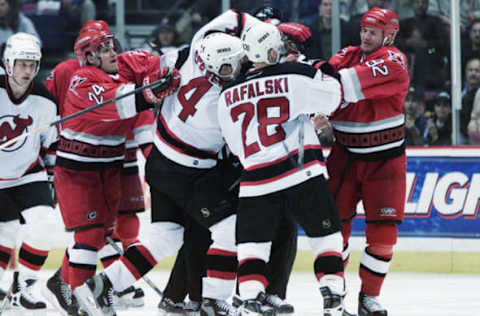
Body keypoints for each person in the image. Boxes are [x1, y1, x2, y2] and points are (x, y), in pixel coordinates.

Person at [71, 9, 259, 316]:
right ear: (221, 65)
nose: (239, 64)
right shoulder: (222, 104)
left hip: (159, 165)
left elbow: (232, 15)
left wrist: (151, 82)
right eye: (235, 61)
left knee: (166, 237)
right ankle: (214, 301)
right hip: (188, 174)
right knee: (229, 228)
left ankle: (102, 286)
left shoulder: (184, 56)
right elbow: (241, 146)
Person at [218, 21, 346, 316]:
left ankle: (250, 300)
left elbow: (234, 145)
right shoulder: (294, 74)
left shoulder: (227, 94)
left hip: (255, 179)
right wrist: (319, 68)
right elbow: (333, 97)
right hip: (301, 171)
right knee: (325, 237)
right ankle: (333, 298)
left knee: (253, 246)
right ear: (274, 50)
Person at [52, 24, 179, 316]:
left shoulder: (122, 66)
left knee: (104, 234)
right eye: (104, 48)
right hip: (77, 171)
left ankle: (65, 285)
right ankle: (86, 303)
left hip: (110, 166)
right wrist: (151, 93)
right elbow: (123, 103)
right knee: (91, 235)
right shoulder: (82, 80)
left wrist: (165, 73)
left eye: (112, 46)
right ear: (89, 56)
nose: (113, 52)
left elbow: (157, 63)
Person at [319, 7, 409, 316]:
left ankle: (369, 297)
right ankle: (336, 296)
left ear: (390, 35)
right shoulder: (347, 54)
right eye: (363, 30)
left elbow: (338, 84)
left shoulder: (394, 62)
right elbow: (324, 78)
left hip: (386, 161)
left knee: (384, 237)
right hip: (344, 156)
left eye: (373, 32)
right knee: (333, 231)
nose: (366, 36)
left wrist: (318, 83)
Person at [0, 32, 60, 314]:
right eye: (21, 64)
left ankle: (24, 288)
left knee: (45, 225)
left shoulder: (45, 102)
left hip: (28, 174)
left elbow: (52, 146)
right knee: (5, 233)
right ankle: (3, 290)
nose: (27, 71)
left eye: (32, 65)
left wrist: (52, 179)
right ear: (8, 63)